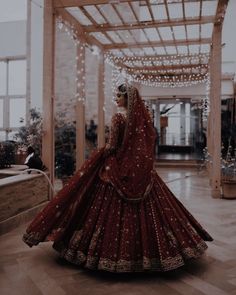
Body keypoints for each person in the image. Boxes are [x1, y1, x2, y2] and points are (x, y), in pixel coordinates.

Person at [23, 84, 213, 272]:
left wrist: (100, 153)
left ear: (127, 98)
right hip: (140, 172)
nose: (116, 98)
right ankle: (159, 254)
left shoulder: (118, 118)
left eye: (119, 96)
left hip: (115, 168)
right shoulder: (141, 119)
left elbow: (113, 146)